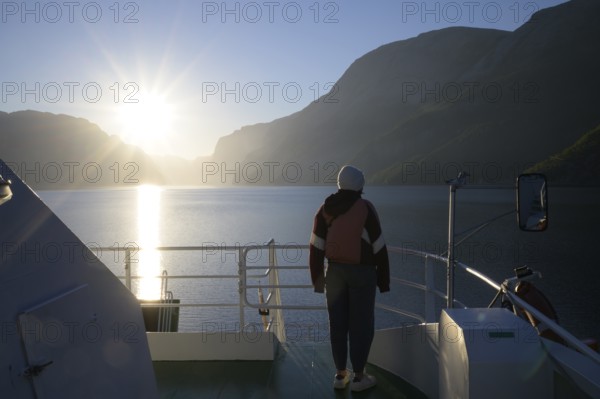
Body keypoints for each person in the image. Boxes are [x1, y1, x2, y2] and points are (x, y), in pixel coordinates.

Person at [309, 165, 390, 392]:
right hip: (362, 274)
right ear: (360, 185)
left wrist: (317, 280)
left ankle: (339, 374)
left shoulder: (325, 210)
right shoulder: (365, 208)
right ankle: (359, 378)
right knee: (361, 325)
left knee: (338, 324)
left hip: (334, 273)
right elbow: (379, 247)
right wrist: (383, 281)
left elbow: (315, 248)